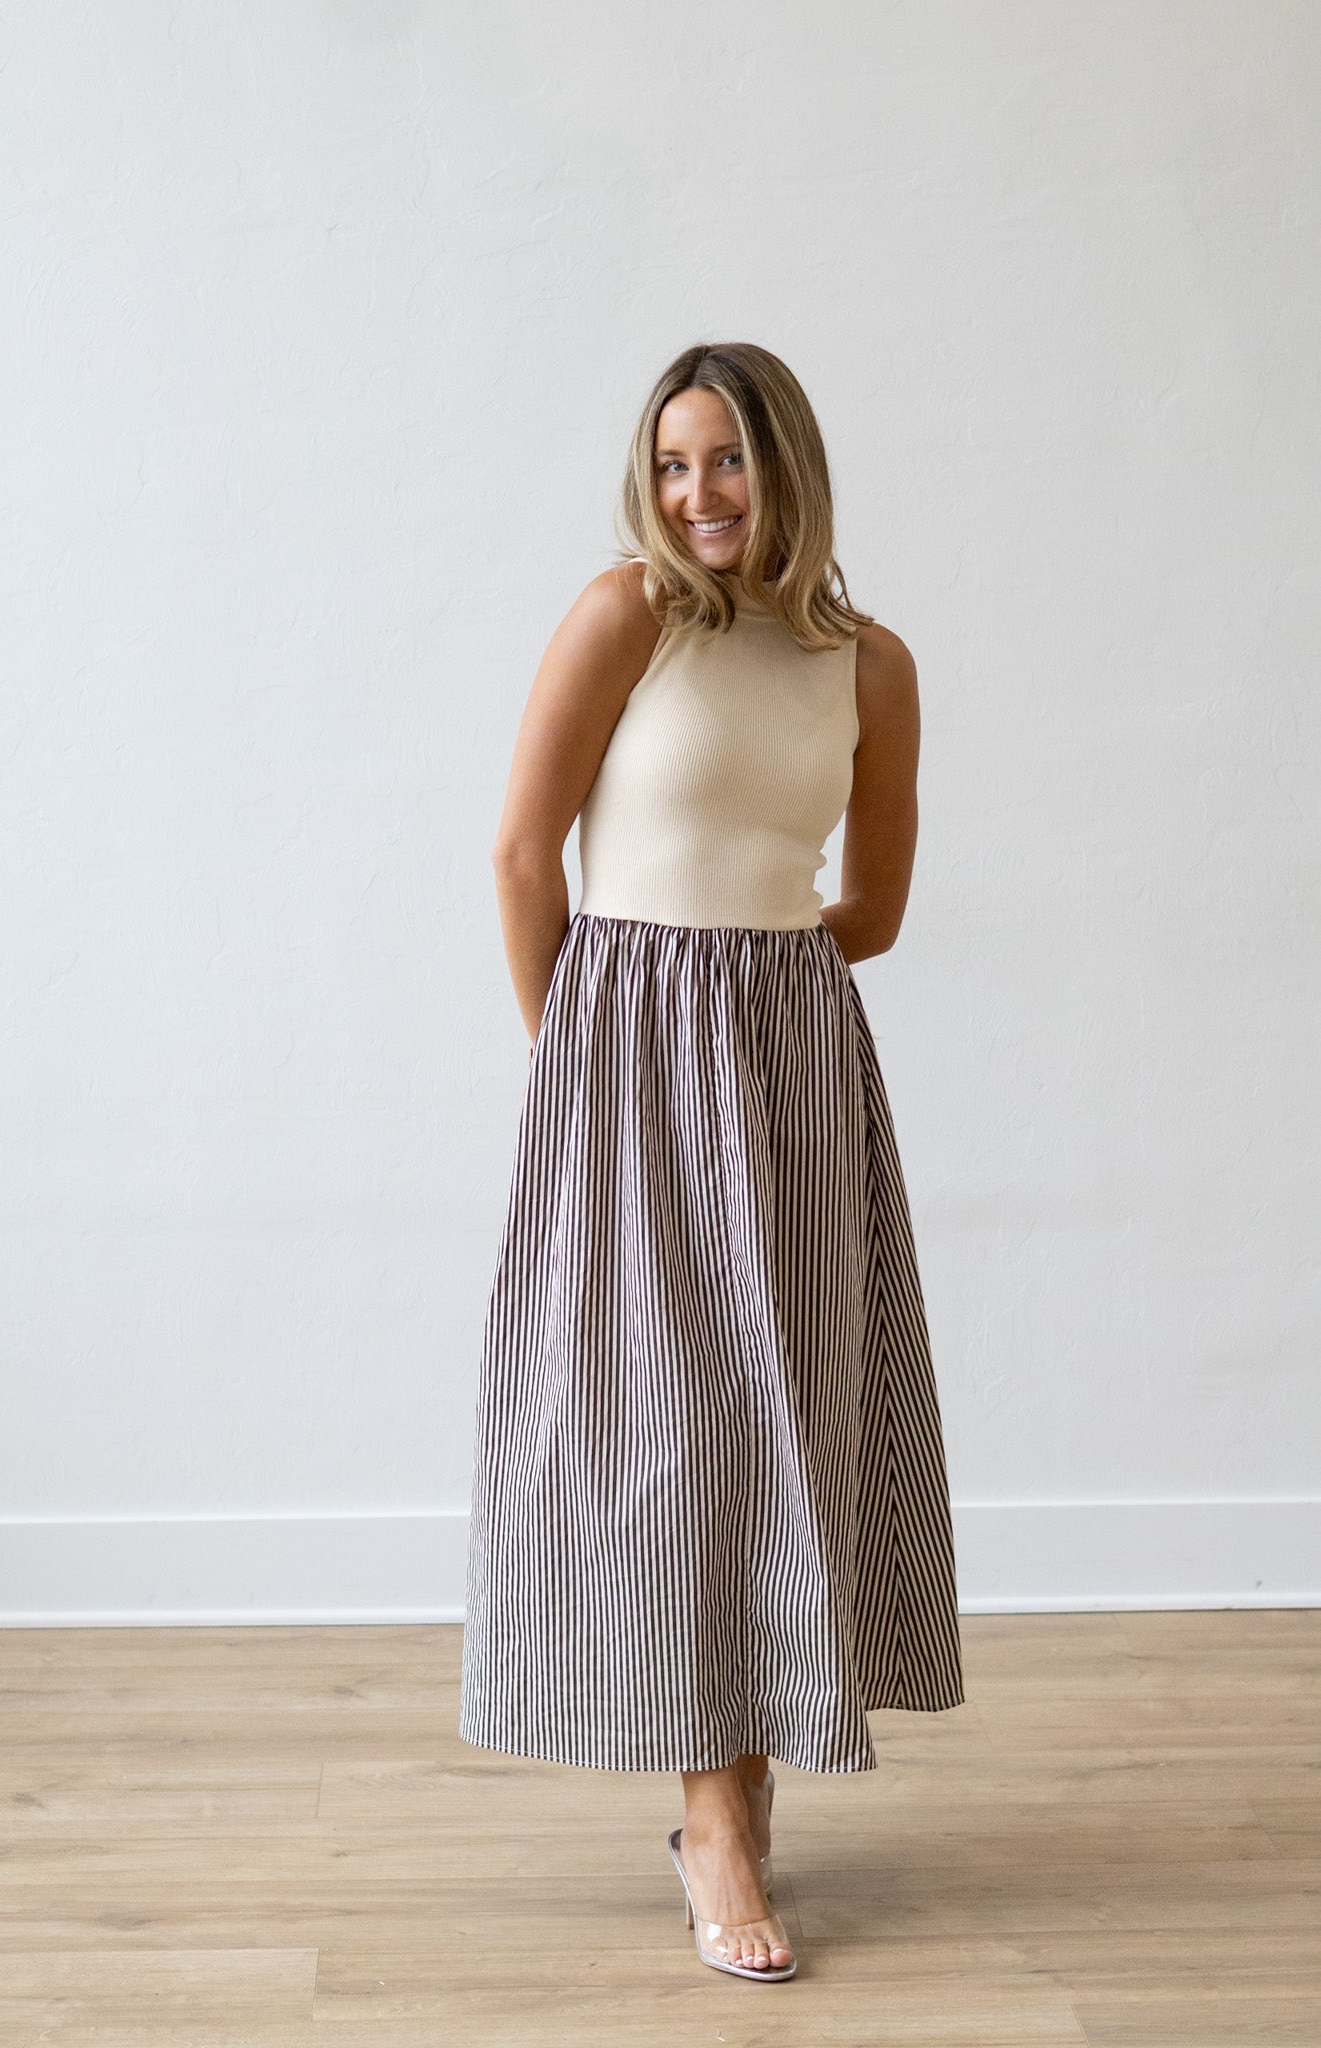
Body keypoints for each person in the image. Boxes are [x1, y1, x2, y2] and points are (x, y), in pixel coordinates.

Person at [458, 340, 965, 1982]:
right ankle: (719, 1817)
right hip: (624, 1051)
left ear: (787, 468)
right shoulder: (627, 617)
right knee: (665, 1421)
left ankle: (730, 1801)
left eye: (728, 463)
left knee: (787, 1409)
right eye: (674, 465)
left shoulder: (869, 664)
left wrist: (757, 973)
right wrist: (582, 1058)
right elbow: (525, 851)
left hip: (793, 1057)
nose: (698, 497)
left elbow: (872, 908)